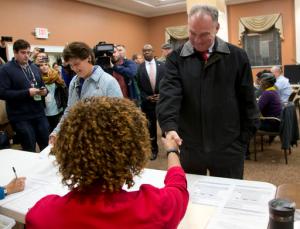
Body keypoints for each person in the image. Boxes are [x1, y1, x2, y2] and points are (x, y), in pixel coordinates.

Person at [26, 97, 188, 229]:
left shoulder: (42, 215)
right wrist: (172, 151)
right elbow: (178, 187)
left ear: (68, 152)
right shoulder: (154, 208)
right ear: (134, 152)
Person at [157, 4, 259, 179]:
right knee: (193, 198)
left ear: (217, 28)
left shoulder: (237, 56)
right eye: (192, 33)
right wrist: (170, 127)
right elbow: (170, 95)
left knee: (228, 196)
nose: (197, 40)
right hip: (190, 147)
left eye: (204, 34)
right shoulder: (175, 59)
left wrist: (243, 140)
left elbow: (247, 100)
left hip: (229, 148)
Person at [49, 41, 122, 145]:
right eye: (71, 65)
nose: (74, 69)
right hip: (79, 139)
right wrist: (57, 132)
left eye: (77, 64)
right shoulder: (74, 81)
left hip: (101, 141)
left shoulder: (109, 82)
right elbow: (70, 110)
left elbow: (118, 118)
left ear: (88, 58)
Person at [0, 39, 49, 152]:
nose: (26, 56)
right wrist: (27, 93)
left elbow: (42, 85)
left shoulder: (34, 68)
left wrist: (45, 92)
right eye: (23, 52)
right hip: (20, 117)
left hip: (39, 113)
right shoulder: (5, 69)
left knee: (46, 146)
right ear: (15, 52)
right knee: (29, 148)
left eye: (28, 52)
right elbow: (2, 93)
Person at [137, 44, 165, 160]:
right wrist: (147, 97)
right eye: (144, 51)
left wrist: (162, 95)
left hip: (163, 102)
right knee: (150, 129)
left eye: (149, 50)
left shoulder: (163, 66)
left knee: (166, 127)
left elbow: (169, 82)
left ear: (153, 51)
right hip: (147, 104)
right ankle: (153, 150)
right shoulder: (139, 68)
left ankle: (172, 150)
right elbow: (138, 87)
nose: (146, 52)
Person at [39, 60, 68, 132]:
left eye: (46, 64)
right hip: (44, 112)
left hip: (57, 110)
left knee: (58, 132)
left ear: (49, 66)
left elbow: (64, 94)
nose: (44, 67)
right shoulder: (37, 79)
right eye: (41, 65)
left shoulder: (56, 77)